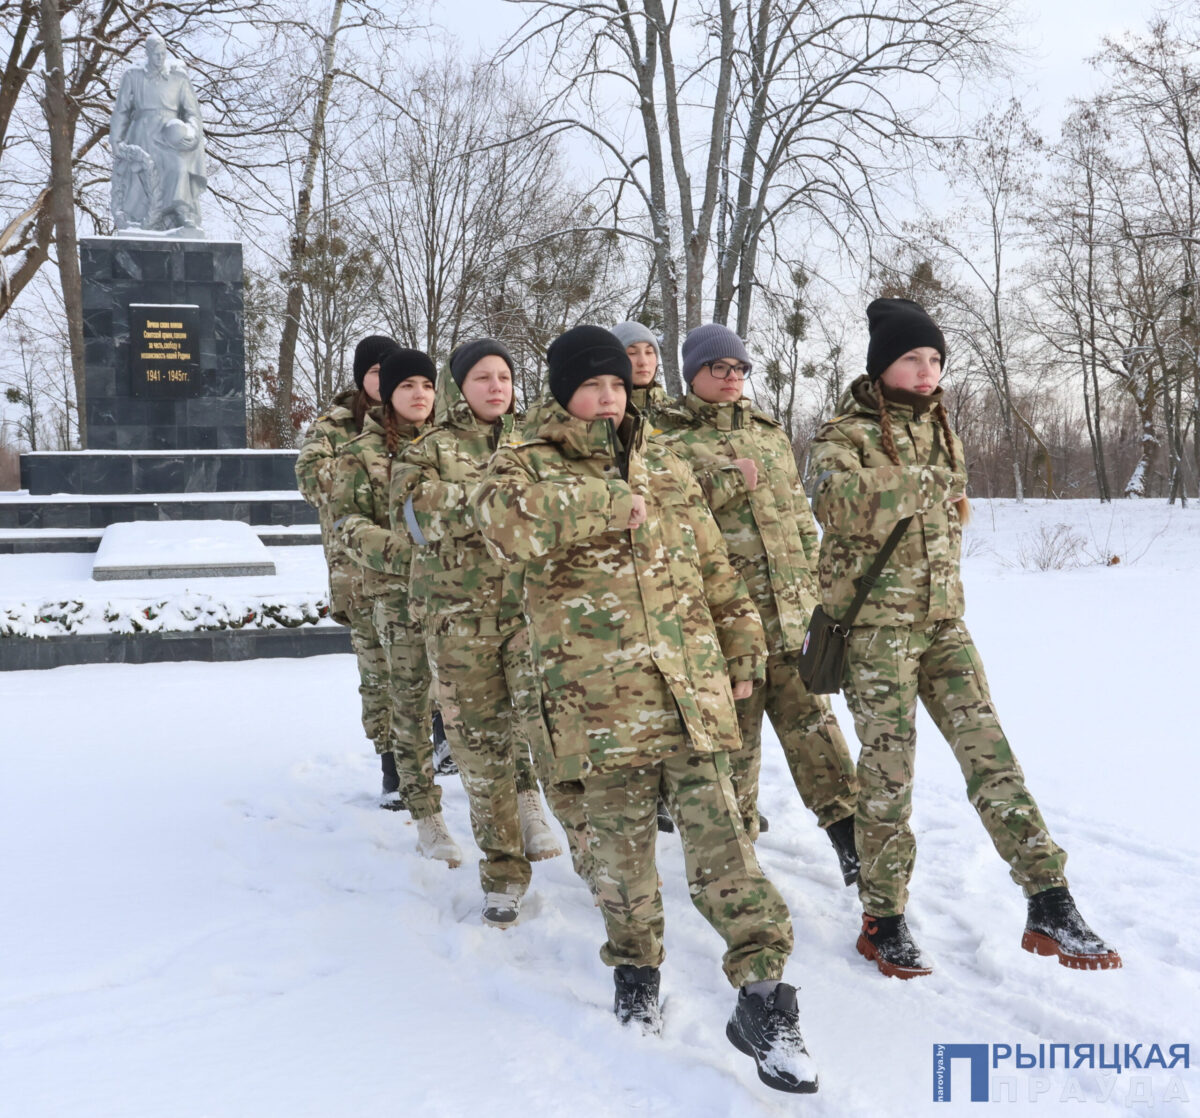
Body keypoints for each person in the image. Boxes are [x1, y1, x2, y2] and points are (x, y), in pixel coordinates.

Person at [474, 325, 818, 1094]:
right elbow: (503, 526)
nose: (607, 397)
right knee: (622, 864)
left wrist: (739, 646)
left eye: (616, 386)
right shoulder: (524, 460)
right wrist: (607, 500)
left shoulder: (660, 457)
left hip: (688, 693)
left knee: (727, 849)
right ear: (562, 391)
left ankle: (765, 999)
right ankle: (636, 975)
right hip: (597, 708)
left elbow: (714, 564)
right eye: (592, 385)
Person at [809, 297, 1121, 977]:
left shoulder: (943, 425)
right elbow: (833, 503)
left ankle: (1049, 898)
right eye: (913, 358)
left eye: (935, 359)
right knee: (888, 781)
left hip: (945, 624)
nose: (927, 371)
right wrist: (923, 484)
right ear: (882, 365)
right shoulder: (844, 431)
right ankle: (882, 918)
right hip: (875, 636)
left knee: (993, 758)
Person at [656, 324, 860, 883]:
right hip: (725, 627)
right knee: (732, 754)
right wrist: (723, 481)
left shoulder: (768, 433)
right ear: (692, 373)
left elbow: (801, 524)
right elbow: (667, 524)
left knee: (818, 736)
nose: (731, 379)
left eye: (740, 369)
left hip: (795, 621)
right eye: (718, 369)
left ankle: (853, 844)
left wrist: (821, 598)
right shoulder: (665, 439)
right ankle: (738, 872)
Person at [392, 339, 562, 928]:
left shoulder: (538, 445)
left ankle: (598, 863)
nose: (497, 386)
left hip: (531, 620)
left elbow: (559, 510)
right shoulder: (429, 448)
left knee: (550, 735)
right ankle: (503, 874)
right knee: (481, 754)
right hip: (459, 624)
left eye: (506, 376)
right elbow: (413, 515)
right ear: (458, 386)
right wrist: (499, 504)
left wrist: (478, 508)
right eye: (483, 377)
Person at [330, 348, 463, 867]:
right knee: (408, 702)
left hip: (456, 594)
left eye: (427, 386)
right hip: (397, 594)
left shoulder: (452, 447)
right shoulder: (359, 454)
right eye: (407, 386)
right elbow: (348, 526)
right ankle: (423, 810)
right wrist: (412, 556)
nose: (419, 395)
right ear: (387, 395)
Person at [296, 335, 402, 806]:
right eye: (375, 372)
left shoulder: (421, 422)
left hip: (415, 573)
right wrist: (368, 470)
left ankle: (435, 749)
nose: (384, 380)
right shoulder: (333, 426)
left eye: (390, 370)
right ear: (361, 378)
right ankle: (391, 767)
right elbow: (311, 481)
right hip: (357, 575)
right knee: (378, 675)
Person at [110, 33, 207, 231]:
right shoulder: (133, 76)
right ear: (147, 53)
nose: (160, 58)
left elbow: (192, 113)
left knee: (179, 167)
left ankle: (181, 211)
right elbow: (121, 111)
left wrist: (194, 135)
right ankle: (139, 222)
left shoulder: (179, 77)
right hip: (142, 133)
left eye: (163, 54)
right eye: (156, 54)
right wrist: (116, 140)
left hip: (170, 135)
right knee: (140, 179)